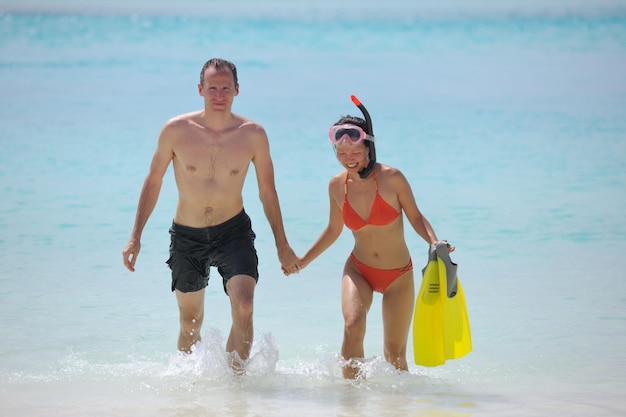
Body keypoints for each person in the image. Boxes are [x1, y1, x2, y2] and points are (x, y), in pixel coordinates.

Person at [122, 58, 300, 371]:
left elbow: (267, 192)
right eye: (213, 88)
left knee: (244, 306)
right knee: (190, 322)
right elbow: (153, 182)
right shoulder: (176, 130)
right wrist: (135, 237)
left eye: (226, 89)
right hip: (187, 235)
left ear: (237, 90)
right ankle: (191, 396)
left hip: (233, 232)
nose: (219, 95)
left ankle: (235, 390)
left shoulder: (253, 134)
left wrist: (282, 245)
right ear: (200, 89)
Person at [291, 96, 453, 379]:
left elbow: (415, 216)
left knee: (395, 354)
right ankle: (350, 402)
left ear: (369, 147)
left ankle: (397, 406)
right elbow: (333, 230)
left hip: (398, 276)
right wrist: (303, 261)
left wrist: (434, 242)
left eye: (354, 151)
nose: (348, 159)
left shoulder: (392, 178)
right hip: (359, 269)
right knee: (353, 325)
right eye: (341, 153)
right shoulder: (336, 186)